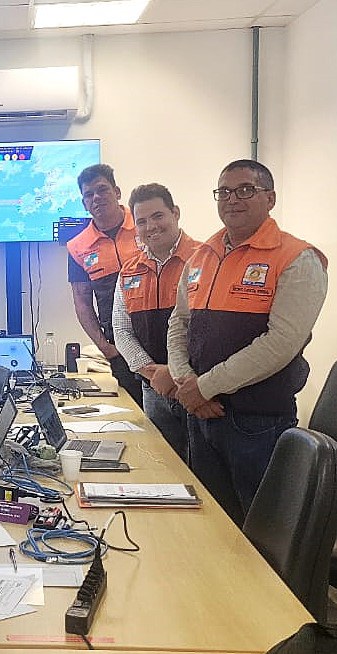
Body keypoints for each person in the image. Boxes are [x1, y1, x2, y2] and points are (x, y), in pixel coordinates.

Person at [166, 159, 328, 525]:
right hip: (201, 417)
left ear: (270, 198)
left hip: (257, 423)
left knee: (263, 532)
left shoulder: (297, 259)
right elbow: (179, 324)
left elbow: (281, 344)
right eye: (223, 192)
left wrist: (204, 387)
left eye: (245, 190)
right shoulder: (201, 256)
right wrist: (185, 382)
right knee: (212, 525)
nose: (232, 199)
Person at [111, 183, 201, 462]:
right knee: (162, 466)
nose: (151, 226)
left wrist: (175, 375)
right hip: (153, 389)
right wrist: (153, 374)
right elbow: (122, 330)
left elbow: (211, 332)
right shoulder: (129, 271)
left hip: (197, 388)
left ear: (175, 213)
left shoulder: (204, 260)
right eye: (141, 221)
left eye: (158, 216)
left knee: (203, 474)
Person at [65, 163, 145, 404]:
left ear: (117, 192)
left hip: (159, 341)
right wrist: (106, 349)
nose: (96, 198)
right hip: (118, 347)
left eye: (102, 190)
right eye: (89, 194)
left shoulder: (145, 224)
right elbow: (82, 303)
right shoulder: (77, 246)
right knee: (138, 415)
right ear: (84, 203)